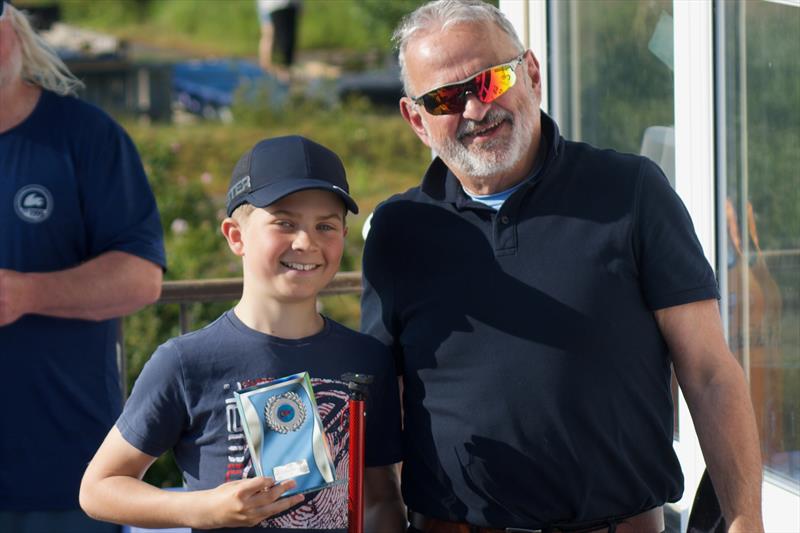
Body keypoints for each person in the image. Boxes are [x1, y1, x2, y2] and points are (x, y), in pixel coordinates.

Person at [360, 1, 764, 532]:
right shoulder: (399, 230)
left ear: (530, 73)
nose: (476, 110)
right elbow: (376, 402)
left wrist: (743, 518)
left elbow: (710, 373)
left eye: (489, 81)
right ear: (416, 119)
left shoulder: (632, 192)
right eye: (444, 99)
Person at [79, 135, 404, 533]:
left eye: (325, 226)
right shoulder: (184, 362)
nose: (306, 242)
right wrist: (200, 509)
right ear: (236, 236)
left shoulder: (367, 360)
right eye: (284, 222)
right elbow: (98, 489)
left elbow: (382, 497)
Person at [0, 2, 166, 532]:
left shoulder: (86, 136)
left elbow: (141, 278)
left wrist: (24, 294)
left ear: (18, 34)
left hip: (62, 476)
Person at [257, 0, 301, 80]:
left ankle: (271, 70)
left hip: (272, 5)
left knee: (271, 35)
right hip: (274, 5)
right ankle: (271, 69)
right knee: (272, 35)